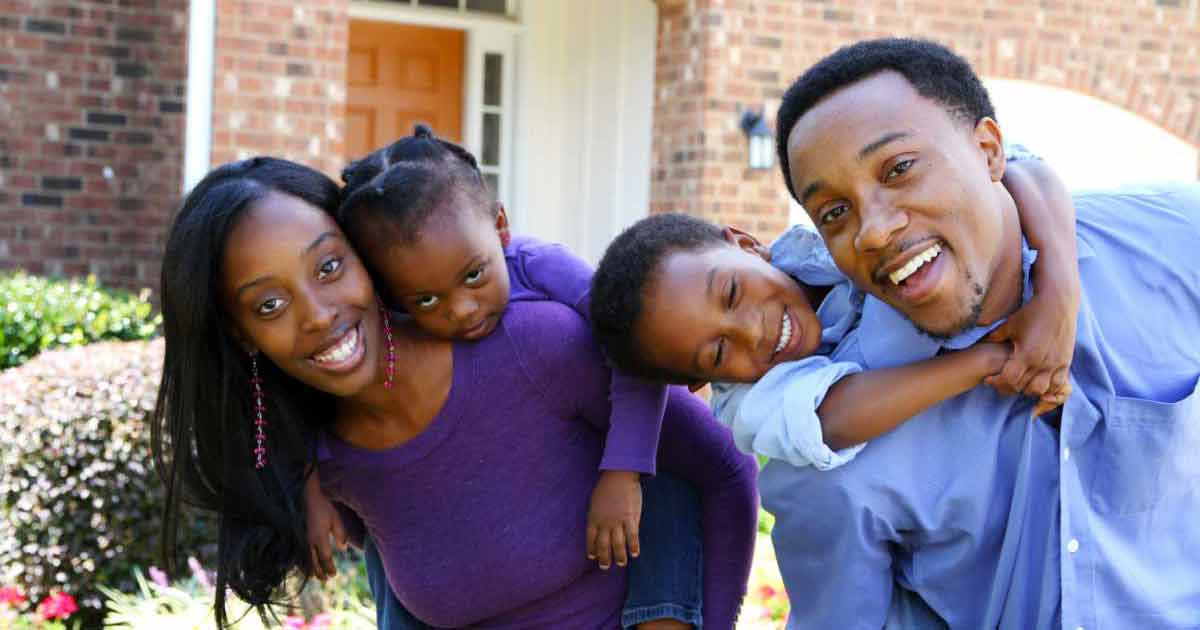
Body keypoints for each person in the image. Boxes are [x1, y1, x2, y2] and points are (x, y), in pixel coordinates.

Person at [152, 157, 757, 629]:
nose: (316, 315)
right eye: (270, 304)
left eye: (329, 267)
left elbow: (723, 472)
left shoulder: (535, 347)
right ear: (242, 334)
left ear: (366, 257)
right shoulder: (328, 466)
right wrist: (308, 479)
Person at [765, 38, 1200, 628]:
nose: (873, 230)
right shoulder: (832, 455)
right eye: (834, 213)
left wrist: (1058, 275)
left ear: (990, 150)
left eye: (898, 169)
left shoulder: (1174, 242)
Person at [317, 126, 758, 628]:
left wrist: (622, 471)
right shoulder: (372, 371)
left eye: (474, 275)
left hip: (644, 466)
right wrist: (309, 485)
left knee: (664, 479)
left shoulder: (541, 271)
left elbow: (632, 355)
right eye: (425, 301)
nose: (462, 310)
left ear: (500, 226)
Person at [588, 145, 1077, 471]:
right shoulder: (747, 406)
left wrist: (1058, 297)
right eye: (719, 352)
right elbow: (829, 419)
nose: (753, 333)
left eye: (733, 294)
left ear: (744, 243)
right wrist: (993, 359)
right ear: (701, 384)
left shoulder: (824, 237)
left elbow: (1014, 165)